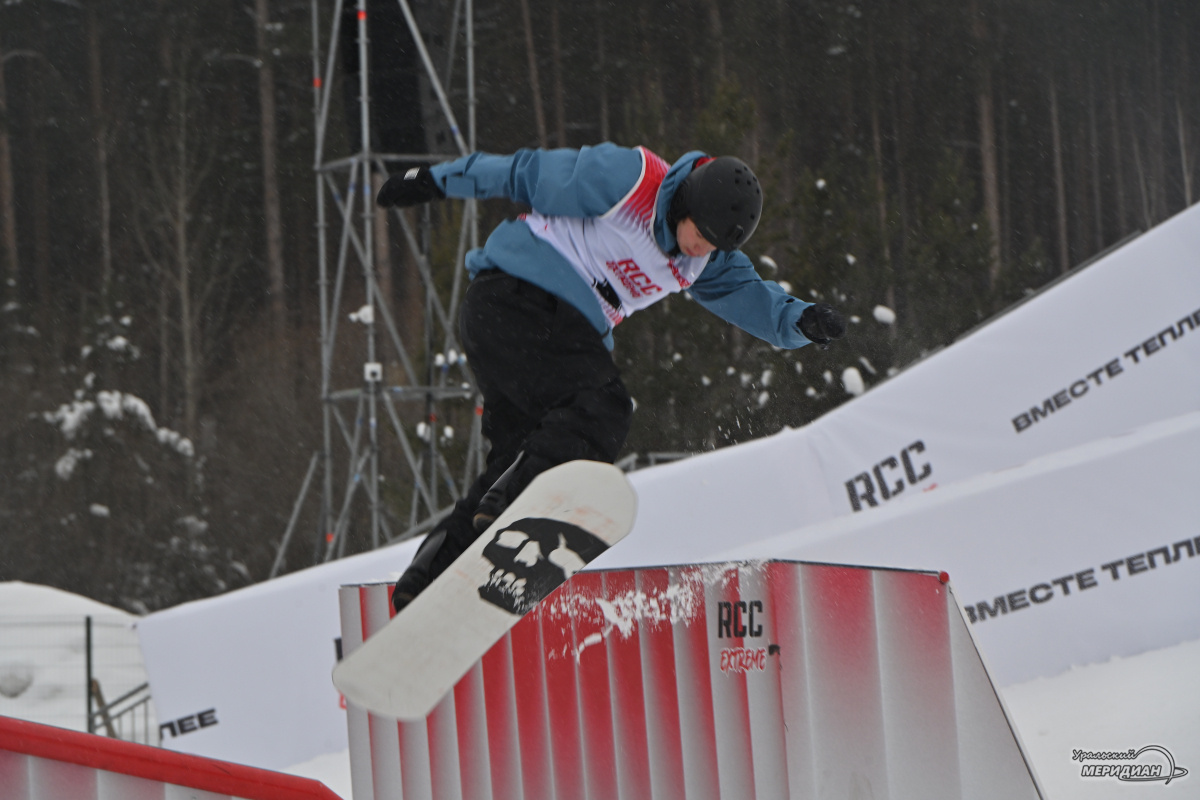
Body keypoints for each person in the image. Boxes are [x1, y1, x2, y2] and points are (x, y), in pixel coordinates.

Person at [377, 143, 846, 612]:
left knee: (519, 451)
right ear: (686, 202)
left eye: (713, 246)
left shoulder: (705, 261)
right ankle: (517, 512)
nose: (700, 249)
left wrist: (801, 321)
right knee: (601, 409)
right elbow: (522, 173)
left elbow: (753, 297)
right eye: (700, 234)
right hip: (518, 297)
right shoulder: (629, 179)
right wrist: (434, 180)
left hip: (530, 332)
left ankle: (428, 580)